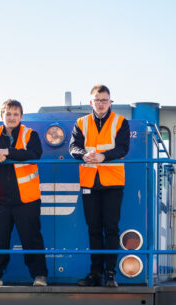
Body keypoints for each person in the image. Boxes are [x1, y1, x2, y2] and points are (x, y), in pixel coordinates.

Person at [0, 99, 48, 286]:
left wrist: (7, 152)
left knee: (31, 238)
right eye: (8, 114)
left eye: (15, 114)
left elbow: (34, 154)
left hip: (26, 199)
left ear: (21, 117)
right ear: (2, 116)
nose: (12, 117)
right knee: (0, 239)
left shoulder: (31, 134)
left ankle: (39, 276)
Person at [69, 85, 130, 287]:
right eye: (98, 100)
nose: (101, 104)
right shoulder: (81, 123)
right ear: (91, 102)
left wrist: (104, 156)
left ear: (110, 102)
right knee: (93, 229)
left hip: (112, 182)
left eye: (105, 100)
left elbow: (123, 148)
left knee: (111, 229)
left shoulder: (120, 122)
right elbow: (73, 147)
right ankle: (95, 274)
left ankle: (110, 274)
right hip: (89, 182)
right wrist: (82, 155)